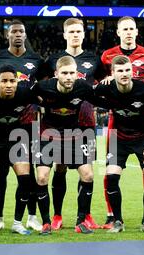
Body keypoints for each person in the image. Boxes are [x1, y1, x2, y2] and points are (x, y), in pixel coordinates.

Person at [100, 16, 144, 230]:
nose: (128, 32)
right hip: (115, 119)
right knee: (110, 170)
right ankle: (112, 215)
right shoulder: (107, 56)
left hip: (142, 115)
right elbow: (101, 82)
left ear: (136, 32)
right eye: (124, 29)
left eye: (131, 29)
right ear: (118, 32)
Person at [45, 18, 105, 231]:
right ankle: (57, 215)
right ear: (65, 35)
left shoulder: (93, 60)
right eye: (71, 32)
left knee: (86, 170)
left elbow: (103, 83)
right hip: (60, 124)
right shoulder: (54, 60)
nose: (75, 35)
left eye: (79, 31)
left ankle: (85, 216)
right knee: (59, 168)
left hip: (86, 123)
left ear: (83, 33)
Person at [0, 19, 46, 233]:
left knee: (27, 175)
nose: (18, 34)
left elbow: (45, 85)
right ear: (7, 35)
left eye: (21, 31)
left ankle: (30, 217)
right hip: (1, 126)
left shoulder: (36, 59)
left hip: (29, 125)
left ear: (25, 34)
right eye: (14, 31)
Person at [32, 56, 99, 234]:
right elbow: (28, 96)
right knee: (42, 177)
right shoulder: (43, 87)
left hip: (74, 136)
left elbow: (100, 99)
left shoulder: (83, 87)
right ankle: (46, 222)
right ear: (56, 74)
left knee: (88, 175)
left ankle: (81, 221)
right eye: (64, 73)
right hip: (48, 135)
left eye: (72, 73)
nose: (69, 77)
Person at [0, 65, 43, 236]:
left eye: (12, 81)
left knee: (26, 178)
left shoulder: (25, 93)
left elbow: (45, 99)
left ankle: (17, 223)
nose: (8, 85)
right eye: (4, 81)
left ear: (17, 81)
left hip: (16, 140)